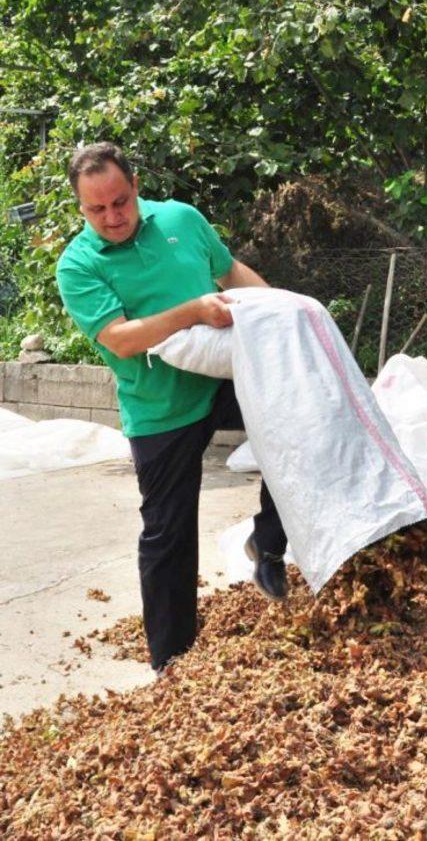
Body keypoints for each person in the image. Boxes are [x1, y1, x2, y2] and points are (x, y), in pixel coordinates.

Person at [56, 142, 288, 674]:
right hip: (160, 407)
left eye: (120, 201)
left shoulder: (181, 218)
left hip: (223, 383)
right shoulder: (79, 265)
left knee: (299, 415)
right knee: (169, 533)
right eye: (98, 209)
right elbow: (118, 339)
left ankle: (268, 543)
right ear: (80, 208)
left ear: (136, 187)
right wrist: (191, 313)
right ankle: (172, 662)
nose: (113, 216)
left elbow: (231, 273)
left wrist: (281, 314)